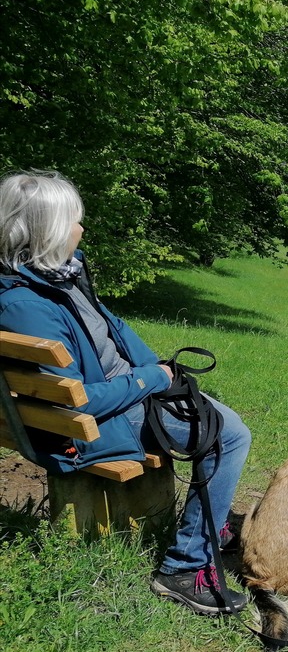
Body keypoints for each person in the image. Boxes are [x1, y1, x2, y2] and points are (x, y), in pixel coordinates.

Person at [0, 170, 251, 616]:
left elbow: (112, 335)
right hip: (89, 430)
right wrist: (153, 379)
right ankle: (185, 566)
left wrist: (163, 369)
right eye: (76, 220)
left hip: (113, 402)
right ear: (50, 230)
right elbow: (75, 400)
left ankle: (208, 525)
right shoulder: (28, 305)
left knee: (216, 417)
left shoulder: (54, 279)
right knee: (229, 434)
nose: (83, 229)